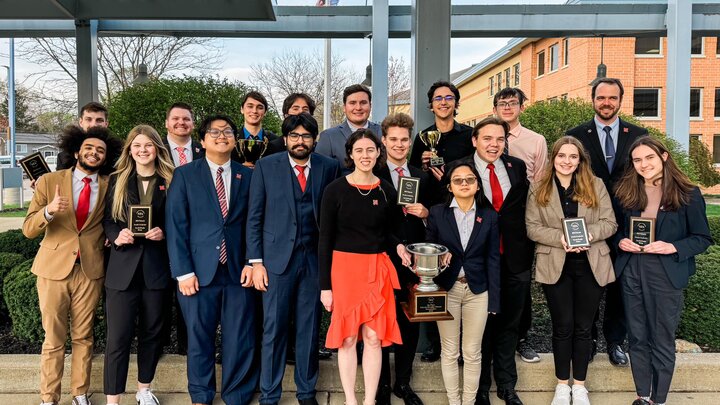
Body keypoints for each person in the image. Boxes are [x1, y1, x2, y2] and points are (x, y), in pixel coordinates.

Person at [247, 112, 341, 405]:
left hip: (314, 261)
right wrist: (256, 262)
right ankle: (270, 394)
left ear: (314, 140)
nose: (301, 141)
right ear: (286, 139)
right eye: (295, 136)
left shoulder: (330, 167)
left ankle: (306, 391)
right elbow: (254, 218)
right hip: (276, 262)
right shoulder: (265, 166)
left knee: (308, 327)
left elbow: (336, 217)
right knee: (273, 329)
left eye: (307, 136)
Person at [23, 126, 120, 405]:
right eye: (89, 148)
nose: (94, 153)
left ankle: (80, 394)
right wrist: (48, 211)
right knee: (53, 339)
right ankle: (49, 398)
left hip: (90, 270)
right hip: (53, 270)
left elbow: (112, 221)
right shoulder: (48, 181)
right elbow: (29, 229)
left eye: (100, 150)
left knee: (84, 337)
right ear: (77, 151)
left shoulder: (109, 185)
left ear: (105, 157)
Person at [166, 114, 258, 405]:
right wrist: (183, 272)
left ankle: (237, 395)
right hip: (197, 273)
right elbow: (176, 226)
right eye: (215, 132)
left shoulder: (249, 177)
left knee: (239, 338)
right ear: (202, 140)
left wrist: (252, 262)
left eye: (228, 131)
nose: (222, 136)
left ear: (234, 139)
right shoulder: (185, 175)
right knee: (199, 339)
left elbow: (255, 224)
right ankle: (201, 395)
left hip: (237, 271)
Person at [614, 137, 712, 405]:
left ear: (664, 157)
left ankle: (659, 399)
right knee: (636, 335)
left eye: (649, 158)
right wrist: (621, 240)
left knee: (661, 338)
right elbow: (618, 230)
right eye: (637, 160)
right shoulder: (627, 191)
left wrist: (672, 247)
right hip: (632, 269)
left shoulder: (688, 193)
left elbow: (702, 238)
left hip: (666, 273)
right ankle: (642, 395)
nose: (643, 164)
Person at [318, 129, 409, 405]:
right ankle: (350, 400)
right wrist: (325, 287)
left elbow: (389, 233)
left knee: (372, 337)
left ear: (378, 152)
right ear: (350, 155)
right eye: (359, 151)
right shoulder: (334, 190)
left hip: (376, 269)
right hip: (344, 271)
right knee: (346, 339)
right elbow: (324, 240)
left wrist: (400, 246)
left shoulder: (386, 190)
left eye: (370, 150)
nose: (365, 155)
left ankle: (369, 400)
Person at [525, 137, 617, 405]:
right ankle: (562, 386)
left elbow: (609, 223)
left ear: (580, 160)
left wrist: (586, 234)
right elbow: (532, 227)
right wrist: (561, 238)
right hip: (556, 263)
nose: (567, 161)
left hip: (591, 264)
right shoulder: (538, 188)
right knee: (562, 326)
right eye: (562, 156)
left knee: (584, 327)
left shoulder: (595, 184)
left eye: (573, 157)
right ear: (553, 158)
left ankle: (580, 386)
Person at [566, 78, 647, 367]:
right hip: (590, 222)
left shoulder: (638, 134)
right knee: (589, 283)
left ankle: (614, 341)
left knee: (619, 285)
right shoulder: (576, 135)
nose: (607, 103)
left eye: (612, 98)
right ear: (593, 100)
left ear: (621, 101)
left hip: (626, 223)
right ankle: (588, 340)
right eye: (601, 97)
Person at [102, 125, 175, 405]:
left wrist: (164, 232)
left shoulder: (171, 179)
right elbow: (108, 220)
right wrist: (116, 235)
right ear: (130, 150)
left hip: (156, 270)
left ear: (157, 148)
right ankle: (113, 398)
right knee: (117, 338)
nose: (142, 150)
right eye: (137, 146)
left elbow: (179, 220)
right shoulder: (117, 180)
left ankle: (144, 389)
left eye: (148, 145)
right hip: (122, 271)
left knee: (151, 334)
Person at [408, 80, 475, 363]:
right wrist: (424, 169)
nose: (444, 102)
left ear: (456, 103)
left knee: (464, 274)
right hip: (434, 215)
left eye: (449, 98)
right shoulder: (423, 138)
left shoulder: (469, 134)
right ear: (430, 105)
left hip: (463, 210)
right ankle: (436, 342)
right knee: (435, 276)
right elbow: (410, 174)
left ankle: (463, 343)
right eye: (438, 98)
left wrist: (447, 173)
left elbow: (474, 172)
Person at [426, 160, 501, 405]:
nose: (464, 183)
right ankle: (453, 401)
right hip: (447, 289)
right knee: (449, 352)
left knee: (472, 352)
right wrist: (439, 256)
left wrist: (494, 300)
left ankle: (468, 402)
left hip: (478, 291)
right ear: (449, 186)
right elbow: (429, 250)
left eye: (470, 179)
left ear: (478, 185)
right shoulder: (437, 213)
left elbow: (493, 259)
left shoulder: (489, 216)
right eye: (458, 180)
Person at [472, 117, 535, 405]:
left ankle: (507, 385)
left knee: (509, 324)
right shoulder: (460, 168)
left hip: (515, 257)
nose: (494, 144)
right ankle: (481, 387)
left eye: (499, 139)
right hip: (479, 259)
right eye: (487, 138)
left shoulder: (516, 167)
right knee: (481, 327)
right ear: (475, 140)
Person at [375, 113, 432, 405]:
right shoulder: (373, 173)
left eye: (404, 139)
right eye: (393, 139)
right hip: (383, 261)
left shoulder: (420, 176)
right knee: (383, 326)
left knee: (410, 324)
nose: (399, 145)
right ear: (383, 141)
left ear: (411, 142)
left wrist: (426, 214)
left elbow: (437, 218)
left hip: (415, 264)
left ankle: (403, 383)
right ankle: (382, 385)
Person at [493, 87, 548, 363]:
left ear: (521, 107)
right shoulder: (484, 138)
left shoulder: (535, 140)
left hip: (521, 221)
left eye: (512, 103)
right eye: (502, 103)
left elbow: (539, 182)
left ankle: (521, 338)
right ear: (495, 109)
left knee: (520, 283)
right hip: (490, 222)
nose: (507, 107)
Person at [161, 102, 204, 355]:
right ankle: (164, 343)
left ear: (193, 123)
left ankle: (188, 348)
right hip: (160, 229)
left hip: (197, 230)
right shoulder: (155, 150)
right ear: (167, 123)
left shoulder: (202, 150)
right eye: (176, 119)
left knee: (190, 291)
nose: (181, 123)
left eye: (186, 119)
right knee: (164, 291)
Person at [315, 84, 381, 166]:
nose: (358, 108)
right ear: (344, 107)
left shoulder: (382, 133)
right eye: (352, 103)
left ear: (370, 106)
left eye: (363, 103)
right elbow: (320, 170)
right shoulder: (328, 137)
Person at [56, 102, 110, 171]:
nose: (94, 125)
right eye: (88, 119)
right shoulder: (64, 156)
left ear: (106, 124)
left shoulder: (118, 155)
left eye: (99, 120)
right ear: (81, 122)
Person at [233, 91, 281, 167]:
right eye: (250, 106)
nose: (254, 111)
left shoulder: (275, 142)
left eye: (260, 107)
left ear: (265, 112)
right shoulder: (231, 140)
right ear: (242, 109)